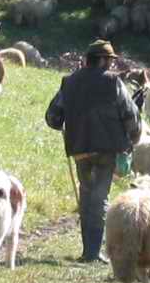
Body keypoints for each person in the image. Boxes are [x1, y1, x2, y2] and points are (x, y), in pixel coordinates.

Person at [45, 40, 142, 263]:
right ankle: (93, 252)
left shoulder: (69, 82)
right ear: (101, 60)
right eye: (109, 60)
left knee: (87, 197)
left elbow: (52, 117)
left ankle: (88, 251)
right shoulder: (113, 83)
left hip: (80, 150)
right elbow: (131, 114)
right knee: (99, 199)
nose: (111, 65)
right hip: (106, 151)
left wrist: (66, 123)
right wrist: (133, 139)